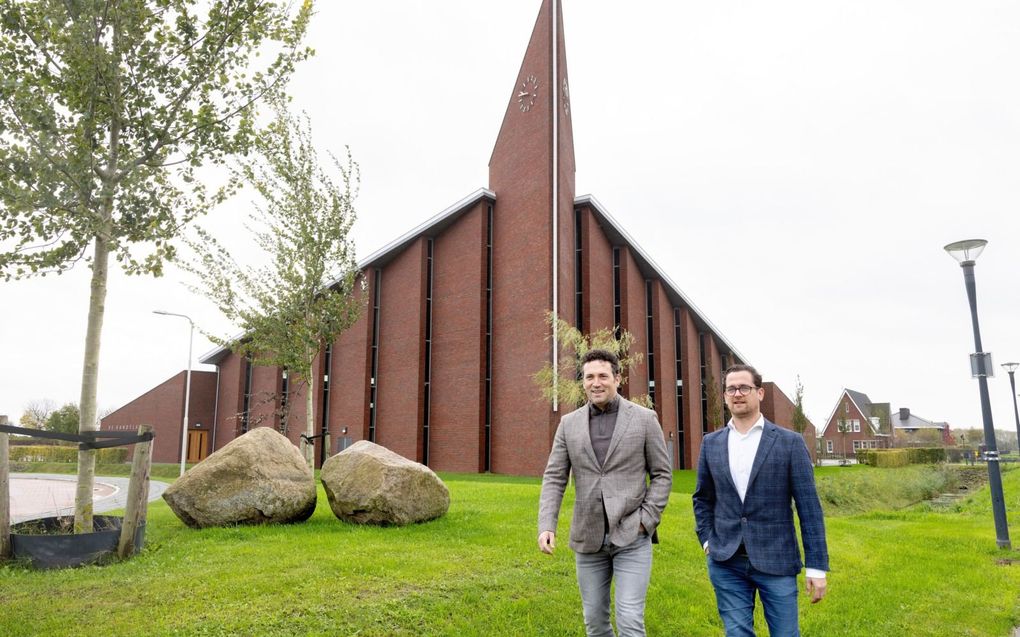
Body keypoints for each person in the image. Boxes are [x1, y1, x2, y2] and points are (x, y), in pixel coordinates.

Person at [538, 348, 673, 637]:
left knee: (629, 620)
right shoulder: (568, 423)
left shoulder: (645, 419)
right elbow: (554, 477)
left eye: (602, 376)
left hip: (632, 536)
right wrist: (547, 524)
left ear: (617, 378)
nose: (595, 383)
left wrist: (645, 520)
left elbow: (662, 474)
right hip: (588, 538)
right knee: (595, 624)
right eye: (589, 377)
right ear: (583, 382)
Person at [692, 364, 829, 637]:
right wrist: (707, 540)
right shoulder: (712, 443)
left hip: (776, 560)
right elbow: (702, 498)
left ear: (760, 393)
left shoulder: (790, 443)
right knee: (737, 633)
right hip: (726, 561)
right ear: (725, 395)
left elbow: (809, 508)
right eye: (731, 388)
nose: (737, 393)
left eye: (745, 387)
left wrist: (817, 566)